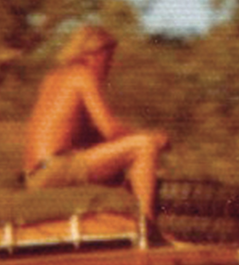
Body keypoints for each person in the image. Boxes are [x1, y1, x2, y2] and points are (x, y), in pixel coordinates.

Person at [23, 26, 169, 213]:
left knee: (117, 169)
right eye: (108, 59)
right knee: (144, 146)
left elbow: (79, 134)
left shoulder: (52, 78)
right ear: (92, 55)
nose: (110, 66)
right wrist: (152, 138)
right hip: (56, 170)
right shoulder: (83, 75)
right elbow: (110, 130)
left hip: (35, 176)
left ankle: (120, 222)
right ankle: (147, 229)